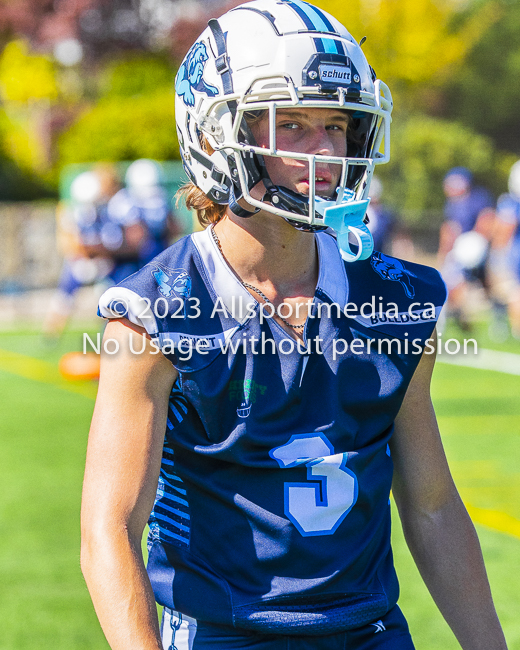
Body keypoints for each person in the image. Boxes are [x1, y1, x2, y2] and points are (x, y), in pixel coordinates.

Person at [81, 2, 507, 649]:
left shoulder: (393, 302)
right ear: (215, 134)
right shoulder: (155, 314)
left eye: (336, 125)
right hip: (223, 634)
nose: (325, 152)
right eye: (293, 126)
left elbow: (432, 505)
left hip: (368, 632)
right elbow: (108, 529)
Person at [437, 167, 496, 331]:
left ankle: (498, 316)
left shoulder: (479, 198)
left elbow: (487, 220)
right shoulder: (451, 204)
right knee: (452, 282)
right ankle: (455, 316)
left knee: (487, 284)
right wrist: (445, 253)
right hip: (460, 251)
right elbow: (450, 230)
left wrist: (475, 243)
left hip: (477, 249)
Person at [491, 159, 520, 339]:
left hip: (515, 251)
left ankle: (517, 331)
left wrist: (498, 256)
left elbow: (505, 229)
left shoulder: (510, 202)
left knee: (515, 292)